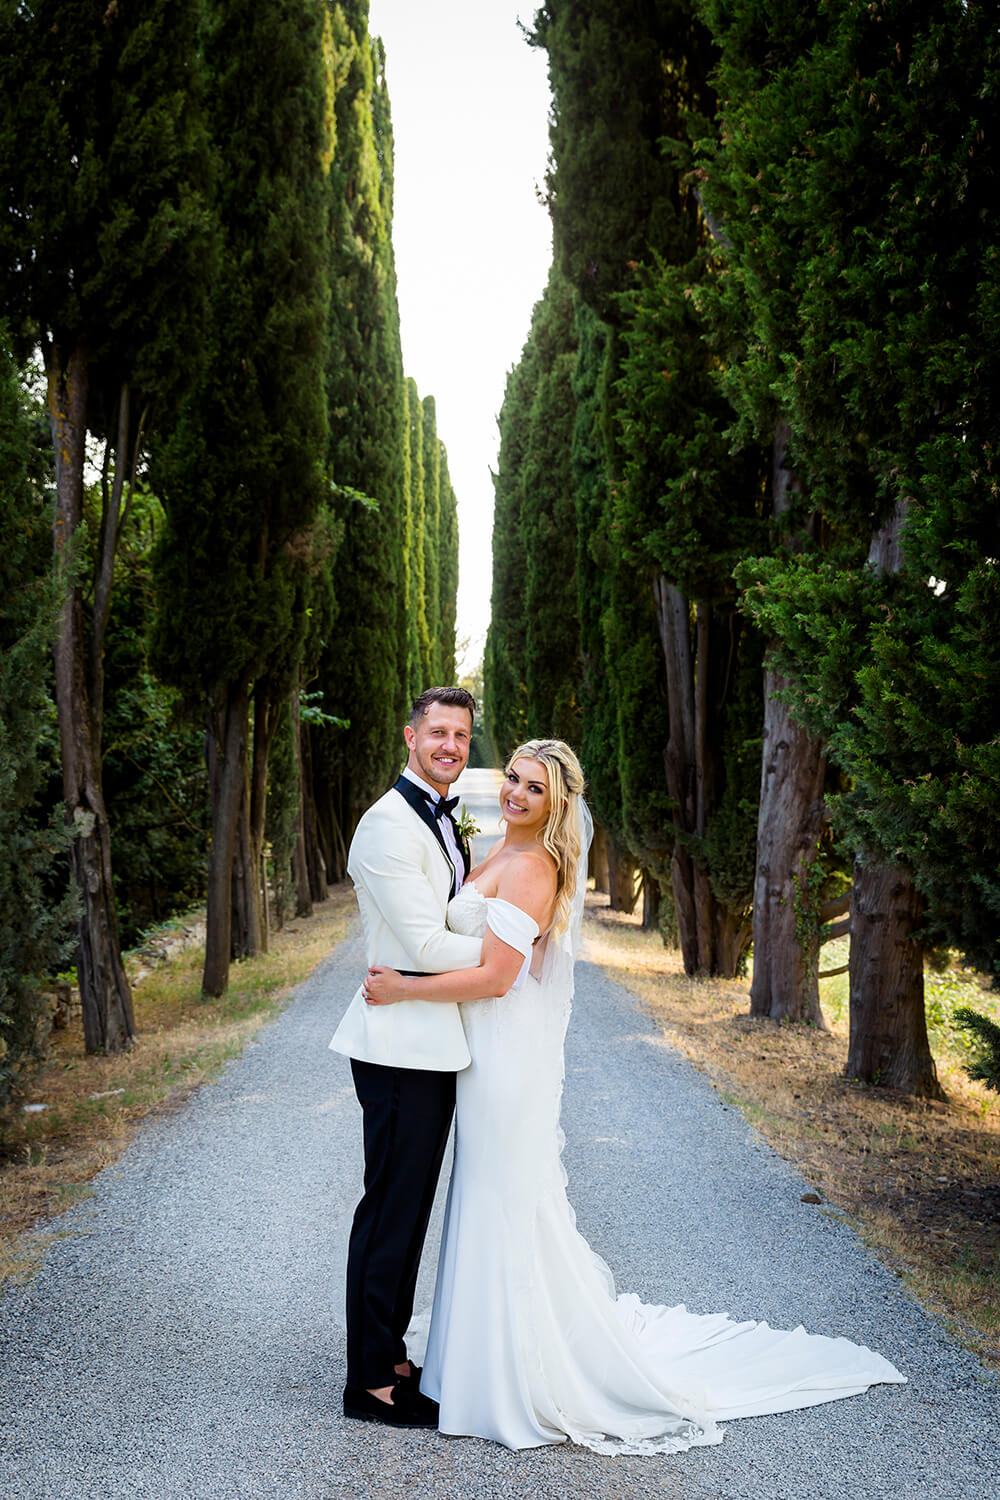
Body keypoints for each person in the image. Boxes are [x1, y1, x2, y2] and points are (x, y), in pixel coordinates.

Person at [361, 738, 906, 1455]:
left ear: (560, 803)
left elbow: (498, 977)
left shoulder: (531, 868)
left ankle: (510, 1375)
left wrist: (405, 988)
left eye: (535, 789)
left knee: (500, 1194)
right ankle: (475, 1357)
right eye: (516, 781)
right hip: (483, 1054)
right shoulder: (498, 848)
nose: (518, 795)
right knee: (484, 1194)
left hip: (507, 1058)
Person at [328, 685, 482, 1429]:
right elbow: (422, 947)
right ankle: (368, 1385)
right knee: (389, 1208)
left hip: (427, 1041)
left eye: (460, 735)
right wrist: (511, 956)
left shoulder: (439, 818)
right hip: (396, 1049)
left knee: (409, 1208)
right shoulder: (387, 826)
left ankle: (389, 1353)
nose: (450, 745)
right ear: (410, 736)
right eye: (438, 732)